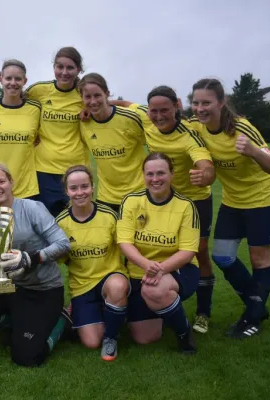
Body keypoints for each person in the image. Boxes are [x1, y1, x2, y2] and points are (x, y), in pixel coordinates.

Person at [113, 87, 217, 334]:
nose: (158, 116)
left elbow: (206, 164)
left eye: (164, 110)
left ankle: (203, 312)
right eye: (154, 110)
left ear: (177, 107)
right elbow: (128, 103)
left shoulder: (189, 135)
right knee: (145, 241)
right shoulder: (145, 117)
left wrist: (205, 176)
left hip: (192, 200)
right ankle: (144, 299)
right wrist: (97, 104)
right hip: (158, 195)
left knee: (198, 253)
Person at [190, 78, 270, 339]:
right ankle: (258, 305)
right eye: (196, 102)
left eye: (206, 102)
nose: (200, 108)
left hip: (263, 200)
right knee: (222, 257)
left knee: (259, 259)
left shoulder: (242, 128)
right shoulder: (197, 127)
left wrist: (254, 151)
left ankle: (252, 317)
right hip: (233, 202)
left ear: (221, 102)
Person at [0, 163, 71, 367]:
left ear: (11, 182)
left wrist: (31, 258)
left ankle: (61, 321)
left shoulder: (32, 208)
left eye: (1, 181)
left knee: (27, 357)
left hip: (43, 289)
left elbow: (63, 243)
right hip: (11, 287)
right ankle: (12, 321)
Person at [117, 152, 200, 354]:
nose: (155, 179)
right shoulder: (130, 201)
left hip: (178, 269)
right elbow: (124, 243)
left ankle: (184, 335)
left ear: (172, 174)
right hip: (141, 272)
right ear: (143, 175)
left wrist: (160, 270)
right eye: (150, 174)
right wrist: (148, 266)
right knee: (145, 337)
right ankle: (167, 311)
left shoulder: (185, 206)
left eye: (161, 173)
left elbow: (188, 251)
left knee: (153, 291)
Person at [56, 165, 129, 361]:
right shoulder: (61, 223)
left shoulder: (109, 216)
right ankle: (101, 312)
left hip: (110, 278)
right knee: (91, 343)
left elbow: (127, 248)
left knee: (117, 286)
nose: (80, 192)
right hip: (81, 287)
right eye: (74, 188)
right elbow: (57, 259)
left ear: (92, 187)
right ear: (66, 191)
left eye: (84, 186)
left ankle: (111, 337)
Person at [25, 47, 89, 216]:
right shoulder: (39, 90)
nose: (64, 72)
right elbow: (13, 105)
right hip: (44, 168)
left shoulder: (84, 93)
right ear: (54, 67)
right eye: (59, 67)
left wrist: (90, 110)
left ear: (79, 69)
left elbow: (104, 103)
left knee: (76, 219)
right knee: (47, 221)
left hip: (75, 168)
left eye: (70, 68)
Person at [78, 73, 146, 212]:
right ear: (82, 98)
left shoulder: (130, 118)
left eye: (97, 95)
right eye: (88, 97)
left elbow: (158, 138)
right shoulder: (83, 123)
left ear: (107, 94)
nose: (93, 101)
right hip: (106, 198)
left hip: (139, 193)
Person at [0, 60, 41, 201]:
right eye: (8, 78)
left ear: (25, 81)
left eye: (18, 79)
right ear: (1, 79)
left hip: (26, 189)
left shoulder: (35, 110)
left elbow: (38, 139)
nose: (13, 82)